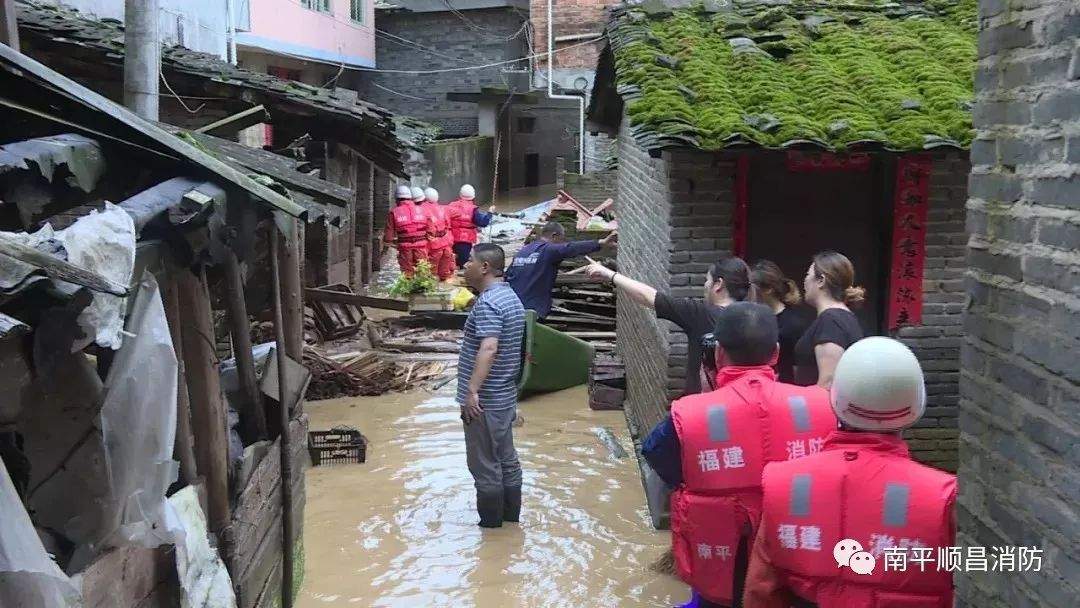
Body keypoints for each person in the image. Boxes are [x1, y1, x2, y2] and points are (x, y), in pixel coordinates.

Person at [641, 302, 837, 608]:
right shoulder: (823, 407)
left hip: (725, 579)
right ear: (775, 353)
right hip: (798, 574)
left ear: (718, 354)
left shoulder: (689, 416)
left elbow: (659, 463)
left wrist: (708, 398)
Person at [744, 337, 957, 608]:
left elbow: (761, 592)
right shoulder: (945, 496)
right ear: (915, 408)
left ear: (835, 400)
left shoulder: (784, 483)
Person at [586, 256, 753, 396]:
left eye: (707, 280)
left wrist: (610, 275)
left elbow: (647, 296)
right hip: (742, 403)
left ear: (719, 285)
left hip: (706, 410)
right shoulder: (757, 318)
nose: (705, 285)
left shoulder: (701, 314)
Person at [458, 243, 527, 528]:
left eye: (469, 261)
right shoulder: (511, 297)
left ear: (484, 267)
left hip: (485, 402)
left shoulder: (487, 303)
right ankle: (511, 524)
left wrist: (471, 391)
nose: (464, 265)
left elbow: (489, 348)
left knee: (484, 466)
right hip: (504, 396)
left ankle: (491, 531)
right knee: (506, 461)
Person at [506, 221, 616, 320]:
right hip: (531, 310)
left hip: (512, 307)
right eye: (562, 239)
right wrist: (601, 243)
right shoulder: (549, 249)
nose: (563, 242)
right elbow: (571, 248)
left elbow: (507, 277)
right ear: (554, 236)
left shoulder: (523, 252)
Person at [794, 251, 865, 388]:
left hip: (817, 408)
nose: (804, 281)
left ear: (821, 281)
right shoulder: (844, 317)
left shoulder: (831, 321)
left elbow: (828, 383)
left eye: (807, 275)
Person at [750, 260, 812, 384]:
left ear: (768, 289)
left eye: (751, 287)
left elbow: (798, 368)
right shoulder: (754, 320)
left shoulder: (792, 325)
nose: (748, 293)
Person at [383, 185, 430, 277]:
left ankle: (409, 289)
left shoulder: (394, 212)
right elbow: (431, 229)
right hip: (421, 246)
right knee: (423, 272)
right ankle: (423, 289)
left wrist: (386, 245)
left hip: (405, 247)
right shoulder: (422, 210)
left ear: (397, 199)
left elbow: (389, 234)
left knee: (407, 274)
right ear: (410, 197)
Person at [448, 184, 496, 268]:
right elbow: (483, 222)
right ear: (473, 196)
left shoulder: (451, 205)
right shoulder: (473, 209)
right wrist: (490, 213)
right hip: (465, 240)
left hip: (451, 238)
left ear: (460, 194)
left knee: (452, 261)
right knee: (464, 264)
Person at [421, 186, 456, 281]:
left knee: (431, 272)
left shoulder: (421, 209)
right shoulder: (444, 208)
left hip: (433, 243)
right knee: (445, 271)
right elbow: (457, 214)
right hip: (445, 241)